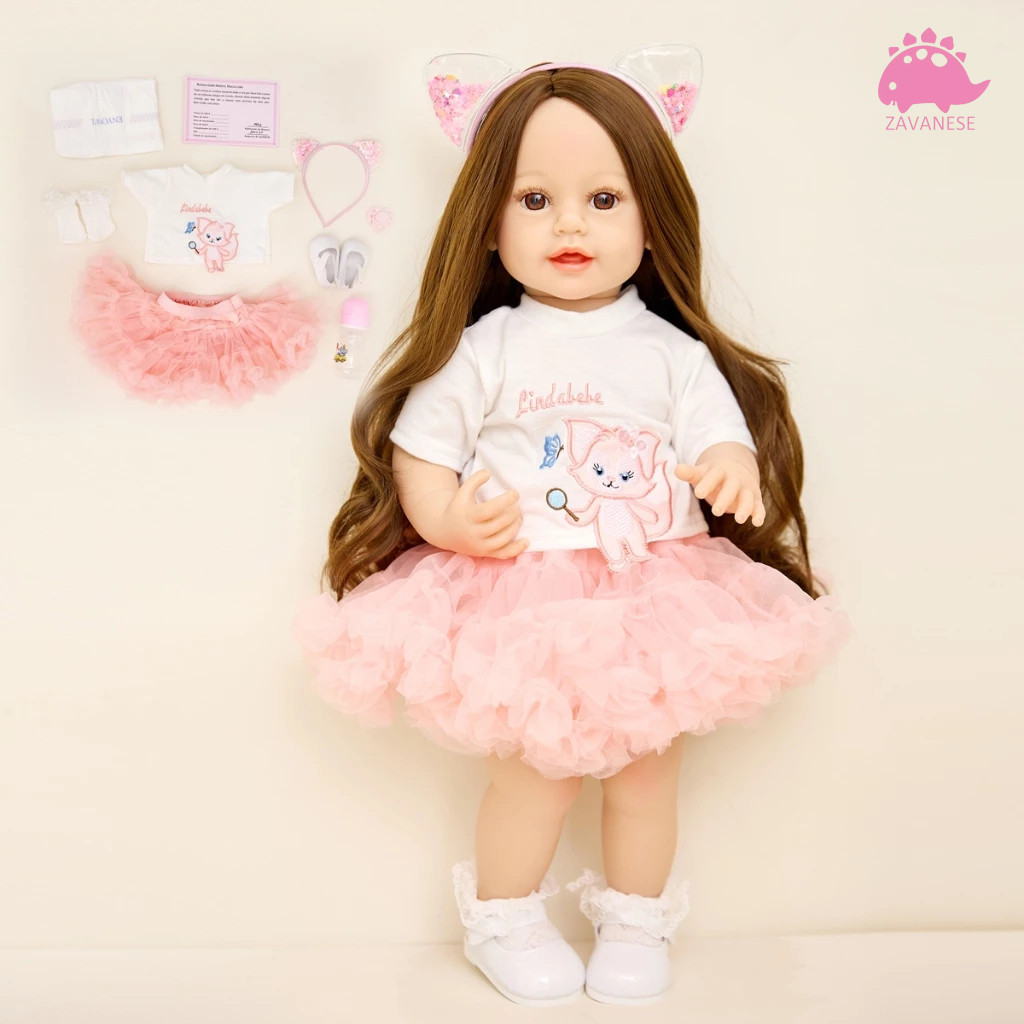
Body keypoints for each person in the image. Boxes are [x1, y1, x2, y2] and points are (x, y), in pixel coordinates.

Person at [293, 51, 850, 1008]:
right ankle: (504, 920)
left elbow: (717, 432)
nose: (570, 226)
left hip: (656, 595)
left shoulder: (673, 353)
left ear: (652, 219)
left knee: (646, 776)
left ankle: (636, 921)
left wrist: (730, 465)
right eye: (535, 200)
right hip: (524, 597)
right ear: (489, 222)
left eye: (603, 199)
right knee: (534, 778)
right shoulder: (485, 347)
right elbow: (422, 451)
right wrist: (449, 520)